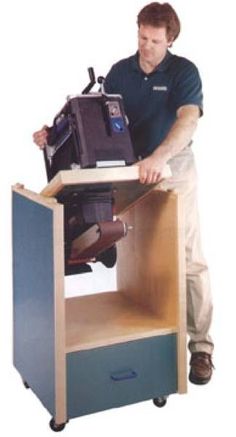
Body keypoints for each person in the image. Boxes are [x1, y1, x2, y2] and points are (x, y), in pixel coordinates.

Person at [33, 2, 214, 385]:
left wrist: (159, 156)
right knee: (97, 221)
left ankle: (200, 348)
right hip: (130, 168)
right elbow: (94, 120)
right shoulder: (120, 72)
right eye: (141, 37)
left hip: (172, 168)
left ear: (170, 40)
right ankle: (108, 239)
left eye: (153, 40)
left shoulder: (184, 72)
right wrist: (52, 133)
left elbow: (188, 120)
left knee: (188, 258)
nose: (145, 46)